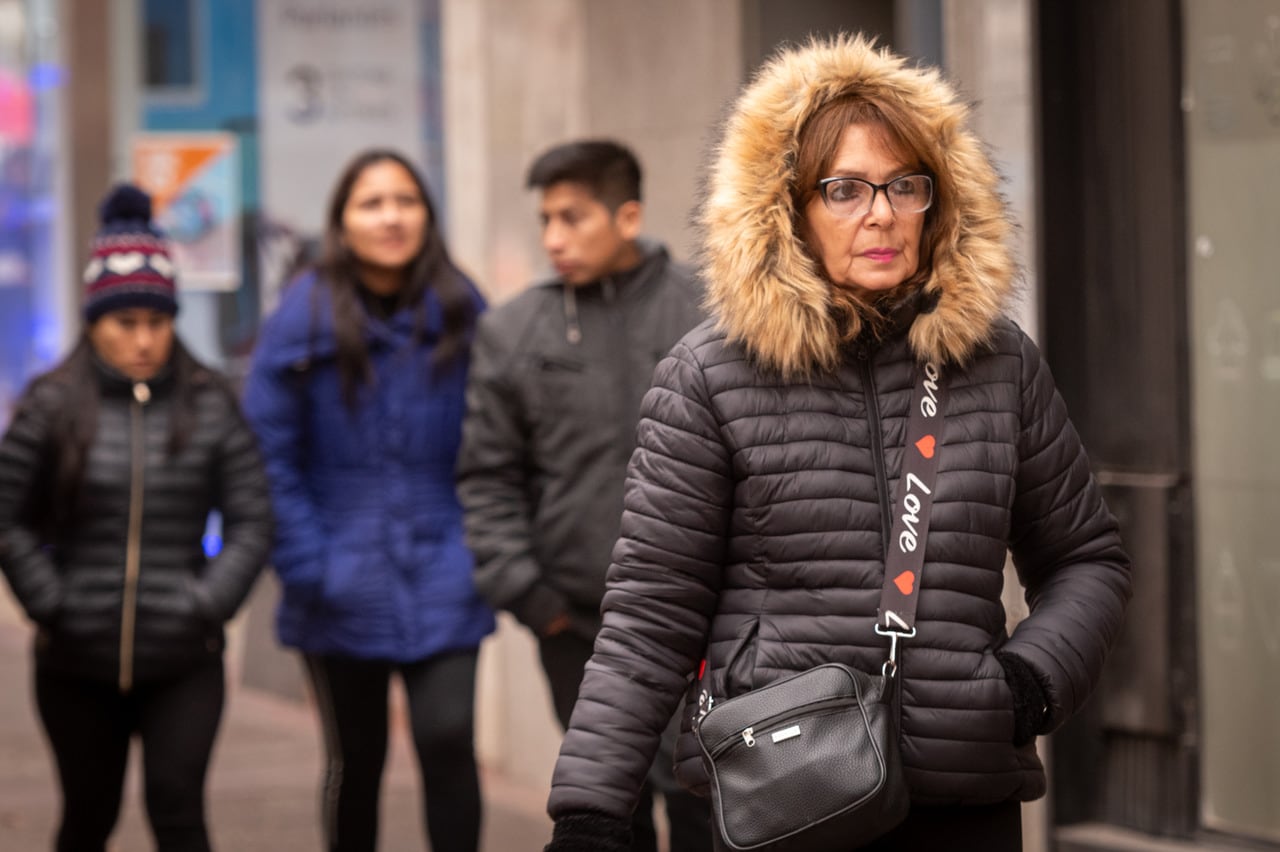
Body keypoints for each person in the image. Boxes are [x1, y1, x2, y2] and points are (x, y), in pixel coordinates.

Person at [541, 35, 1133, 852]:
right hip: (782, 794)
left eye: (905, 186)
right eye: (846, 189)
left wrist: (1027, 686)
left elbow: (1087, 559)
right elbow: (651, 613)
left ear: (941, 200)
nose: (881, 214)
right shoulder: (711, 376)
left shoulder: (999, 365)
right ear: (790, 207)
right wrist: (591, 810)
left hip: (964, 798)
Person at [0, 184, 273, 852]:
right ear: (95, 321)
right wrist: (49, 602)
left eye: (158, 320)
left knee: (177, 810)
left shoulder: (211, 403)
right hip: (74, 660)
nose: (144, 339)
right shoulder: (51, 405)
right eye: (126, 323)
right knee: (87, 815)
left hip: (184, 658)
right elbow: (6, 515)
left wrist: (207, 602)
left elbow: (252, 518)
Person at [456, 139, 711, 851]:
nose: (553, 240)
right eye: (545, 221)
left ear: (626, 216)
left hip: (701, 622)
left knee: (707, 802)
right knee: (607, 811)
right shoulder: (512, 332)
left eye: (572, 218)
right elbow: (487, 476)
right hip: (579, 625)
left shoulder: (710, 310)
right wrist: (532, 599)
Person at [241, 149, 493, 852]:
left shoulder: (463, 308)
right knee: (357, 760)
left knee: (448, 743)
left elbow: (499, 443)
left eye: (406, 201)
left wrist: (480, 546)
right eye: (372, 203)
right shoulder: (300, 317)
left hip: (446, 563)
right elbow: (267, 454)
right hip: (336, 573)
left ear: (427, 216)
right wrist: (309, 563)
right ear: (342, 222)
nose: (391, 217)